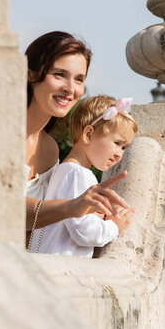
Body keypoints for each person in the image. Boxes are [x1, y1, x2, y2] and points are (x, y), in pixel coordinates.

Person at [25, 31, 132, 242]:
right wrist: (73, 206)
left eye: (79, 79)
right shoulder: (0, 136)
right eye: (59, 74)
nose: (70, 89)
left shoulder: (50, 149)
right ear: (30, 74)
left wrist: (98, 210)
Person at [28, 95, 137, 256]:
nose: (119, 154)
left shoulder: (67, 170)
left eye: (124, 148)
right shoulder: (78, 174)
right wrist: (114, 226)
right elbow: (83, 230)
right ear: (89, 134)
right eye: (117, 143)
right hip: (62, 268)